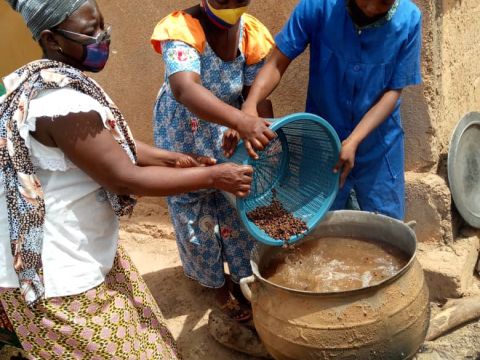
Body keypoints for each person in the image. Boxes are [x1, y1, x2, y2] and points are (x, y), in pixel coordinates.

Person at [0, 0, 254, 358]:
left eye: (102, 26)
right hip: (56, 275)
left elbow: (108, 143)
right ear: (51, 38)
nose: (103, 37)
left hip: (77, 246)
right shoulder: (58, 102)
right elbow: (124, 178)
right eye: (90, 32)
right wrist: (214, 176)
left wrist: (173, 158)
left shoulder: (41, 80)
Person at [150, 0, 275, 321]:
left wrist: (261, 138)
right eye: (223, 0)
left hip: (227, 131)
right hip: (182, 133)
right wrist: (240, 122)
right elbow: (185, 90)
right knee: (193, 209)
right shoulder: (182, 29)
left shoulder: (250, 33)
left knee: (237, 206)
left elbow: (256, 95)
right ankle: (216, 287)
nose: (232, 6)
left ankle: (241, 277)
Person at [242, 0, 422, 220]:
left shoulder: (409, 19)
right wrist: (251, 104)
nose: (371, 9)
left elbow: (393, 91)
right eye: (364, 1)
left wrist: (354, 140)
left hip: (379, 148)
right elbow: (277, 63)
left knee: (385, 232)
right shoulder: (317, 6)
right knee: (316, 227)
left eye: (382, 4)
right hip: (322, 144)